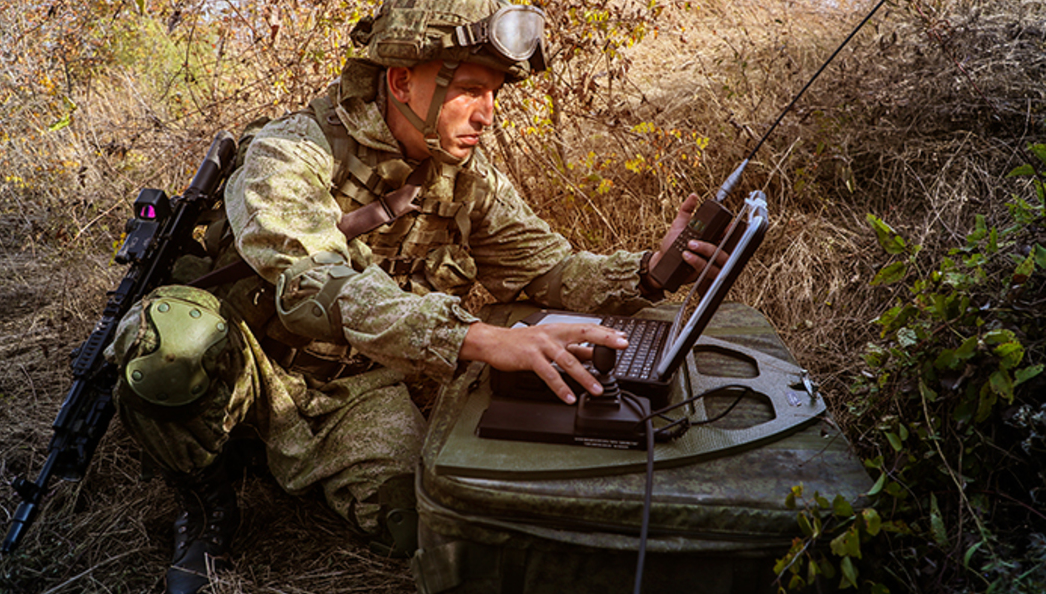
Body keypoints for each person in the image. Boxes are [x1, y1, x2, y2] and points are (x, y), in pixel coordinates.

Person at [104, 1, 724, 592]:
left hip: (359, 386)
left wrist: (649, 270)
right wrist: (476, 339)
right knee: (168, 343)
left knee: (420, 526)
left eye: (494, 94)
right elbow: (315, 281)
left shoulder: (467, 179)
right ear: (402, 81)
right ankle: (206, 493)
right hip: (257, 361)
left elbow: (549, 270)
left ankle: (276, 451)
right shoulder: (291, 151)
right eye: (470, 90)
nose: (486, 114)